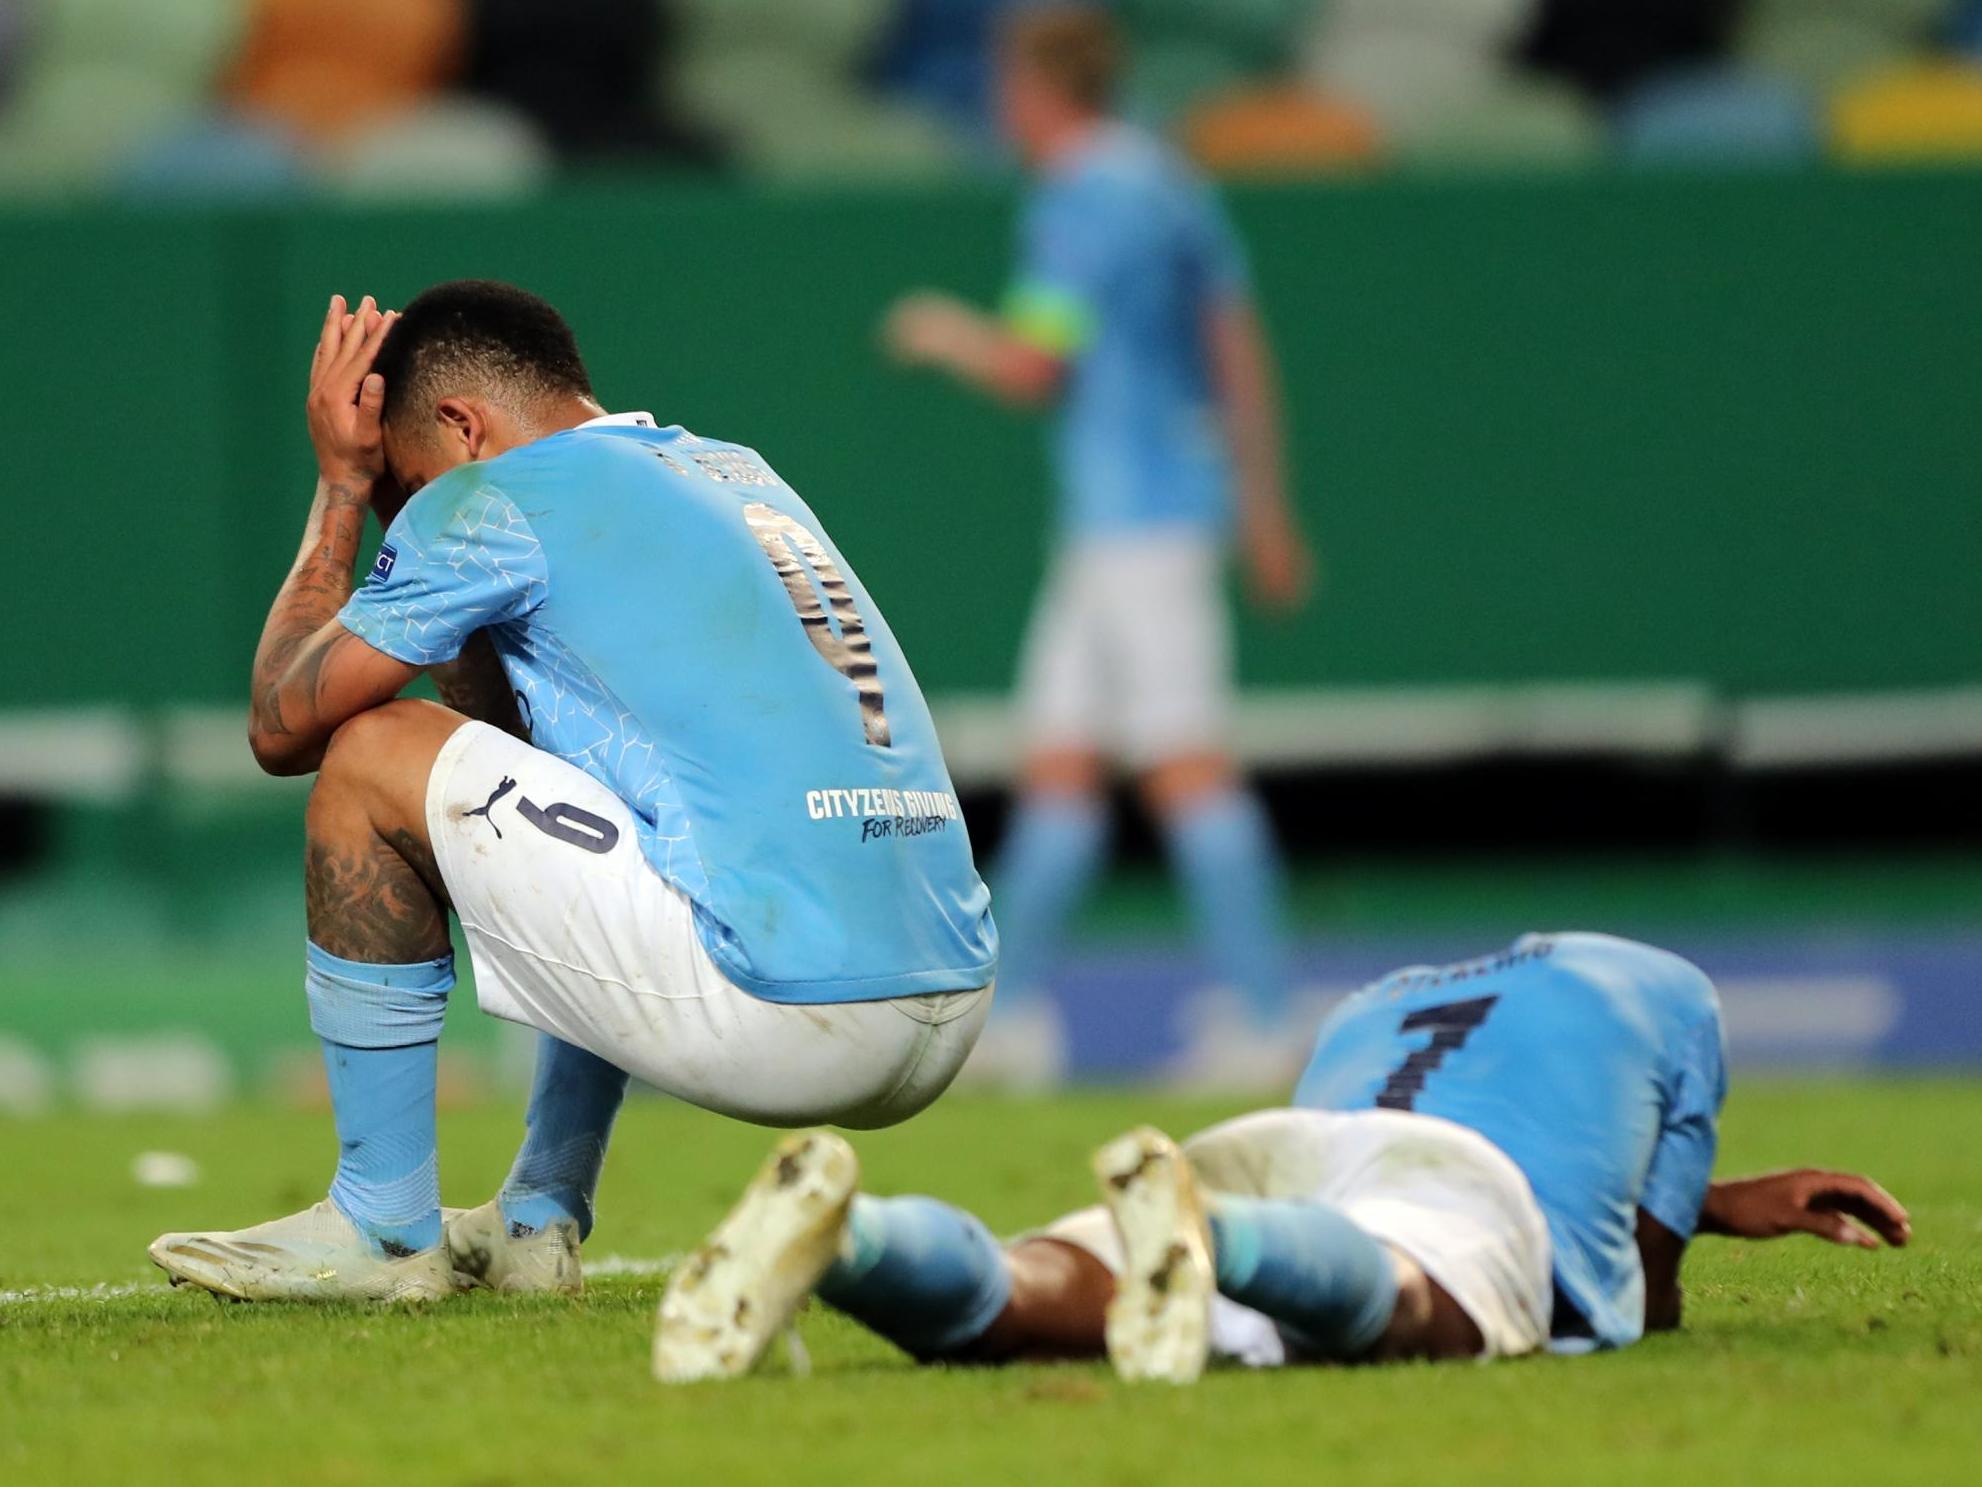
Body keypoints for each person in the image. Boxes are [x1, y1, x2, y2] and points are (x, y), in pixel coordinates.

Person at [148, 281, 998, 1303]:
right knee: (581, 793)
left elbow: (281, 724)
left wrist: (341, 483)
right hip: (951, 987)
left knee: (372, 747)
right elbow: (513, 754)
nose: (406, 517)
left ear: (462, 428)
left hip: (794, 1013)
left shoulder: (492, 498)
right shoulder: (731, 470)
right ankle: (536, 1214)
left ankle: (377, 1225)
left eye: (408, 487)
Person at [651, 933, 1910, 1382]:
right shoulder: (1676, 993)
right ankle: (1216, 1249)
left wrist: (1725, 1200)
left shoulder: (1381, 995)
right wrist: (1686, 1212)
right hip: (1420, 1198)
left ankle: (851, 1236)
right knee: (1411, 1303)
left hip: (1287, 1149)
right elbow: (1641, 1291)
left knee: (1035, 1291)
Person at [880, 5, 1315, 1087]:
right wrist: (1260, 504)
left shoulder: (1077, 198)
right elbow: (1235, 343)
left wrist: (942, 334)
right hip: (1148, 517)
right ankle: (1010, 1017)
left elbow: (1035, 365)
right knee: (1062, 769)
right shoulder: (1168, 178)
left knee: (1185, 767)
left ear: (1032, 90)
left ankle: (1266, 1018)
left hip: (1137, 526)